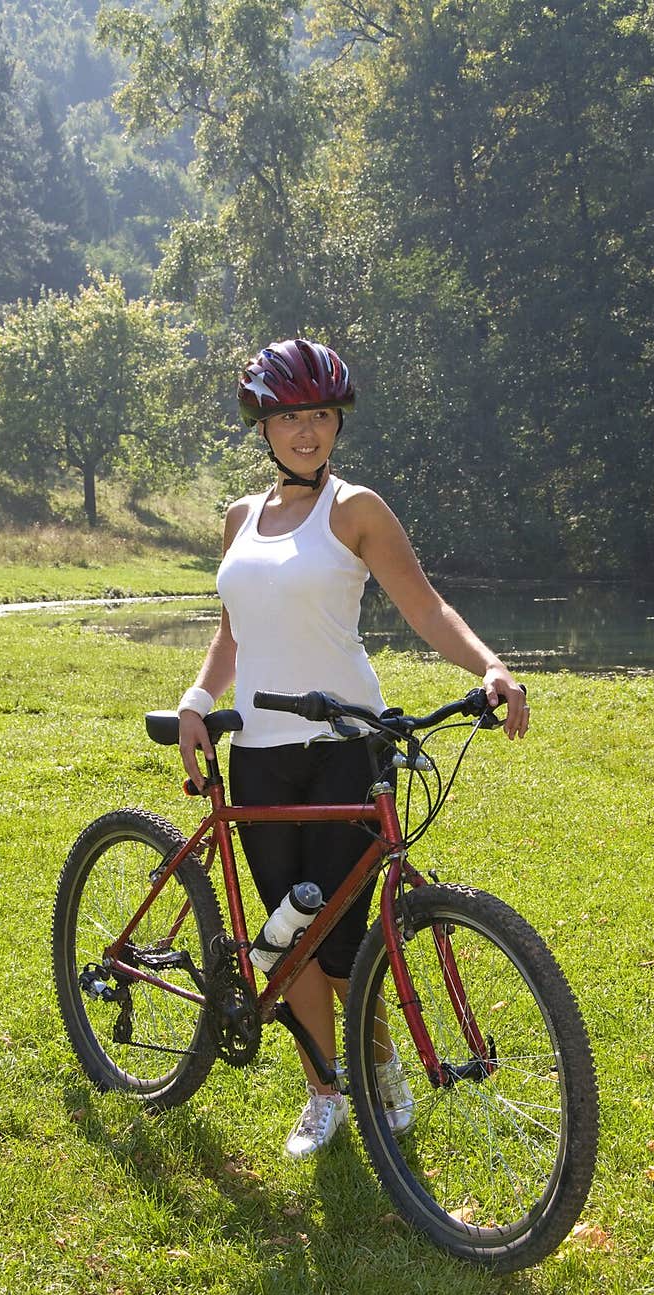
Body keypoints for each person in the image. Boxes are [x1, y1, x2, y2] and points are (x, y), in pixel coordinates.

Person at [177, 337, 529, 1160]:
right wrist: (198, 700)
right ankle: (323, 1092)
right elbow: (233, 636)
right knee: (287, 933)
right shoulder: (239, 518)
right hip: (259, 753)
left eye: (322, 416)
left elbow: (426, 606)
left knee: (342, 940)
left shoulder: (356, 509)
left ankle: (376, 1062)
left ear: (337, 424)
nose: (308, 431)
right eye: (291, 416)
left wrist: (490, 664)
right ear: (264, 425)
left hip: (344, 745)